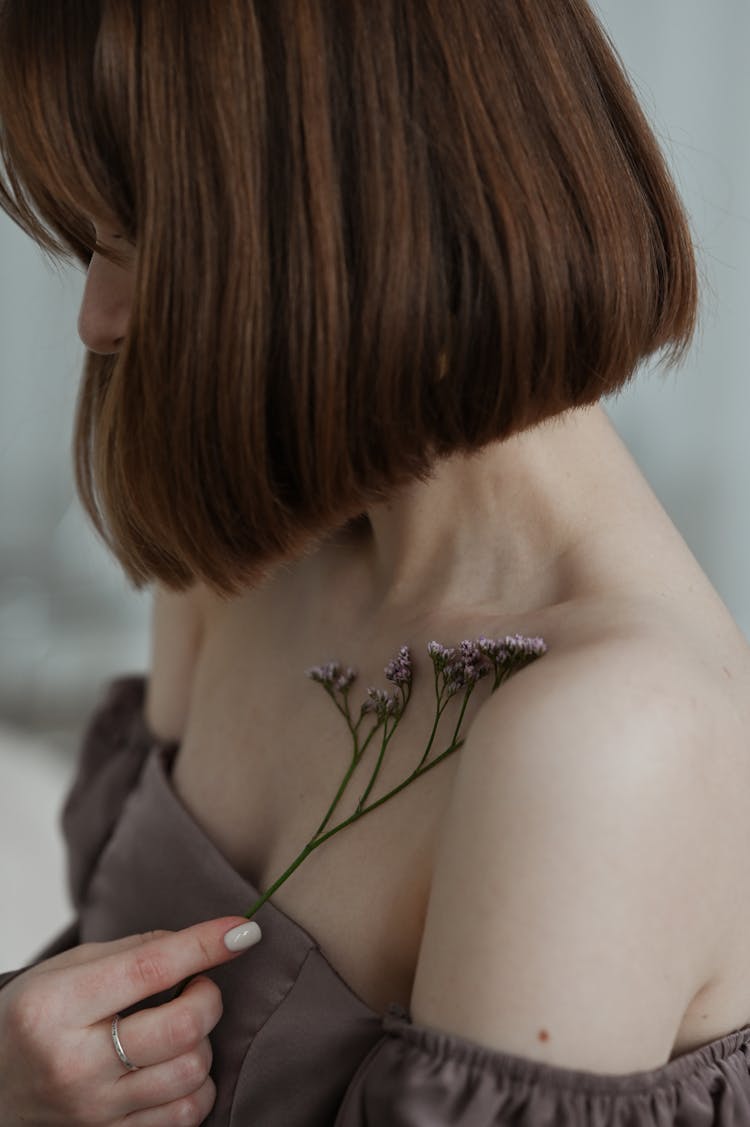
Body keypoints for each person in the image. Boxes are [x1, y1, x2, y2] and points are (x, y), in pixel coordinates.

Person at [1, 1, 749, 1124]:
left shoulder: (607, 738)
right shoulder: (241, 549)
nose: (100, 318)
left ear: (341, 222)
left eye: (140, 234)